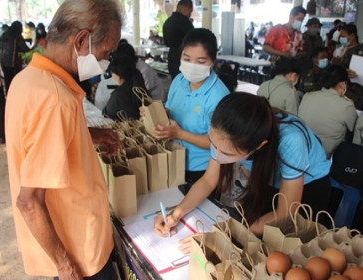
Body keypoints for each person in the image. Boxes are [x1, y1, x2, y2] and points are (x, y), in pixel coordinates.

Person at [5, 1, 123, 279]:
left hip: (70, 241)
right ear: (81, 40)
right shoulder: (55, 100)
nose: (106, 61)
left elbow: (37, 146)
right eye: (106, 52)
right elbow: (29, 201)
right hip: (80, 251)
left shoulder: (28, 80)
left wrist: (89, 135)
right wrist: (65, 265)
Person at [154, 93, 331, 238]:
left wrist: (222, 235)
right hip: (268, 178)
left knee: (282, 240)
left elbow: (286, 211)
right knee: (253, 228)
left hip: (308, 187)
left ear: (259, 146)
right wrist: (176, 214)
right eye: (213, 145)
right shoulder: (223, 130)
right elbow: (208, 181)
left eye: (228, 154)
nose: (218, 156)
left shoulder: (291, 141)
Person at [152, 28, 229, 185]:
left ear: (212, 62)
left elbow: (220, 144)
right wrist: (154, 112)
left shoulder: (219, 96)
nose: (192, 66)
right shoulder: (179, 80)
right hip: (173, 158)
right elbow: (170, 110)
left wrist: (179, 134)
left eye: (200, 62)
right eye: (186, 59)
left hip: (202, 170)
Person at [298, 65, 357, 158]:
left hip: (303, 151)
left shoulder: (307, 96)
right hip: (328, 157)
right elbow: (354, 129)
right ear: (342, 84)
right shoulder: (346, 106)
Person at [103, 55, 148, 120]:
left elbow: (107, 113)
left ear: (118, 75)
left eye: (112, 73)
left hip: (128, 128)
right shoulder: (141, 88)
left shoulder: (118, 95)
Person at [163, 0, 194, 79]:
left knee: (176, 84)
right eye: (190, 11)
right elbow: (194, 41)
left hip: (172, 58)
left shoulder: (167, 22)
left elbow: (166, 43)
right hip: (184, 59)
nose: (190, 14)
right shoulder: (184, 22)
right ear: (186, 9)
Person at [0, 21, 31, 94]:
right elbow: (24, 48)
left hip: (3, 62)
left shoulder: (4, 34)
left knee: (7, 80)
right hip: (13, 63)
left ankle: (8, 94)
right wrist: (31, 50)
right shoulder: (17, 37)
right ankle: (16, 94)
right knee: (15, 80)